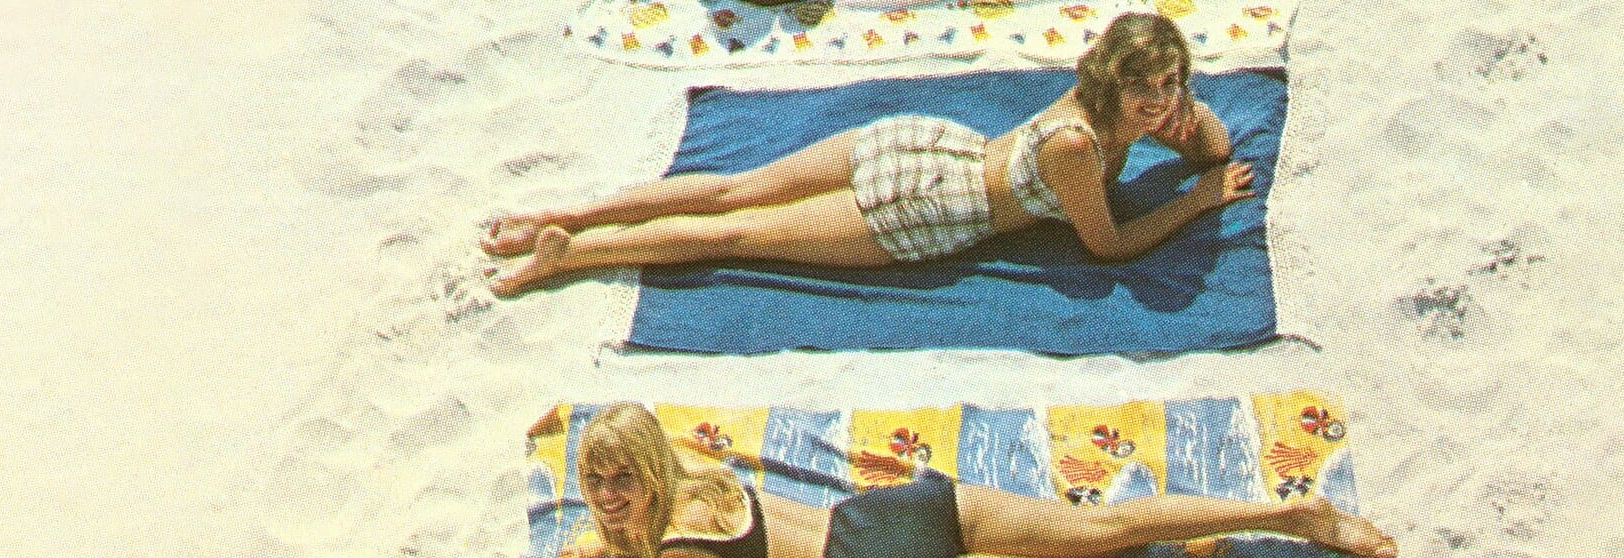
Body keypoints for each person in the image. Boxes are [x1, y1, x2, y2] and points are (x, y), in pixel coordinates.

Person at [483, 12, 1258, 297]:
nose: (1159, 102)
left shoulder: (1118, 110)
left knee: (734, 191)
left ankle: (556, 217)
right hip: (931, 207)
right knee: (734, 229)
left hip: (924, 141)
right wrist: (1194, 201)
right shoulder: (1079, 148)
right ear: (1112, 82)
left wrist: (1181, 110)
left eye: (1169, 85)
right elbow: (1109, 246)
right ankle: (566, 251)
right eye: (1145, 87)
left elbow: (1211, 144)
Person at [548, 402, 1400, 558]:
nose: (610, 495)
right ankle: (1292, 512)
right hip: (901, 511)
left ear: (646, 475)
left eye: (619, 481)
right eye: (599, 482)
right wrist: (600, 542)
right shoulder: (695, 473)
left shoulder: (680, 546)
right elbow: (620, 530)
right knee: (1108, 526)